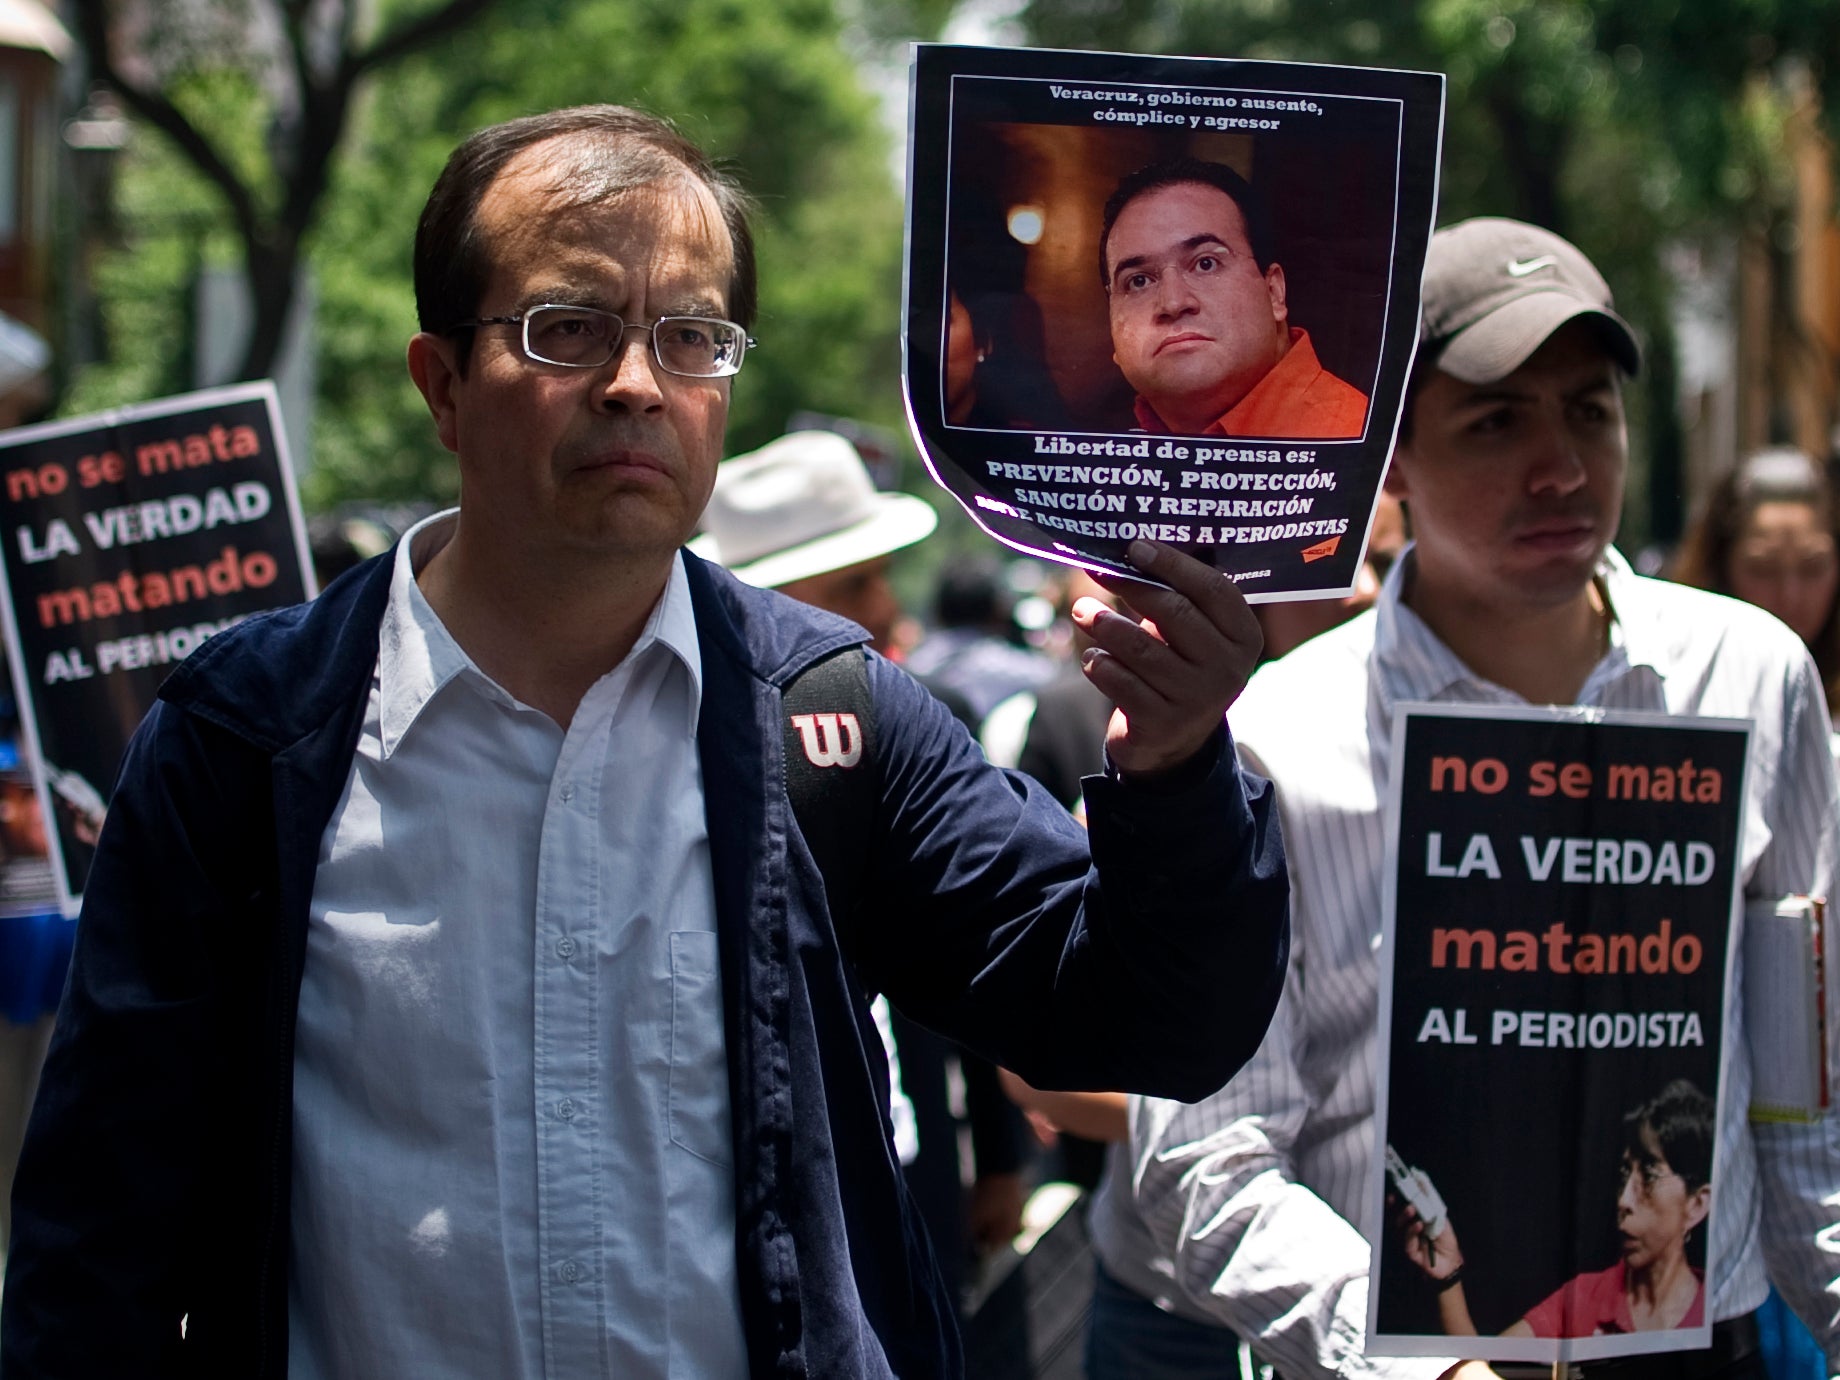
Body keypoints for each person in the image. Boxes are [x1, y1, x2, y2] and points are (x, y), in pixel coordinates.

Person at [0, 105, 1290, 1378]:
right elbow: (95, 1245)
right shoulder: (247, 736)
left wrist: (1174, 767)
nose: (634, 384)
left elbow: (1143, 1020)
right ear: (442, 384)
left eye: (689, 339)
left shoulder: (834, 720)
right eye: (566, 330)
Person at [1088, 216, 1840, 1380]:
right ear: (1389, 457)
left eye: (1589, 410)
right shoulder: (1270, 745)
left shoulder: (1751, 678)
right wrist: (1406, 1359)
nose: (1562, 469)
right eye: (1497, 422)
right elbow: (1203, 1159)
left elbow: (1803, 1101)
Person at [694, 426, 1033, 1311]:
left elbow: (973, 950)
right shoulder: (681, 738)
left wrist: (998, 1160)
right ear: (773, 601)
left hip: (905, 1166)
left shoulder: (912, 718)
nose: (885, 608)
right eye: (855, 582)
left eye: (881, 577)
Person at [1401, 1080, 1714, 1338]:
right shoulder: (1588, 1296)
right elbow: (1482, 1370)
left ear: (1697, 1204)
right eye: (1624, 1176)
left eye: (1648, 1175)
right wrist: (1448, 1278)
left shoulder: (1719, 1306)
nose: (1623, 1202)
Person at [1099, 158, 1368, 440]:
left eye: (1206, 263)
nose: (1173, 303)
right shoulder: (1103, 459)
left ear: (1274, 292)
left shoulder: (1358, 444)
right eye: (1138, 281)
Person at [1670, 447, 1840, 725]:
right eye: (1763, 570)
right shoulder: (1677, 691)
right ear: (1720, 569)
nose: (1790, 595)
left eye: (1812, 568)